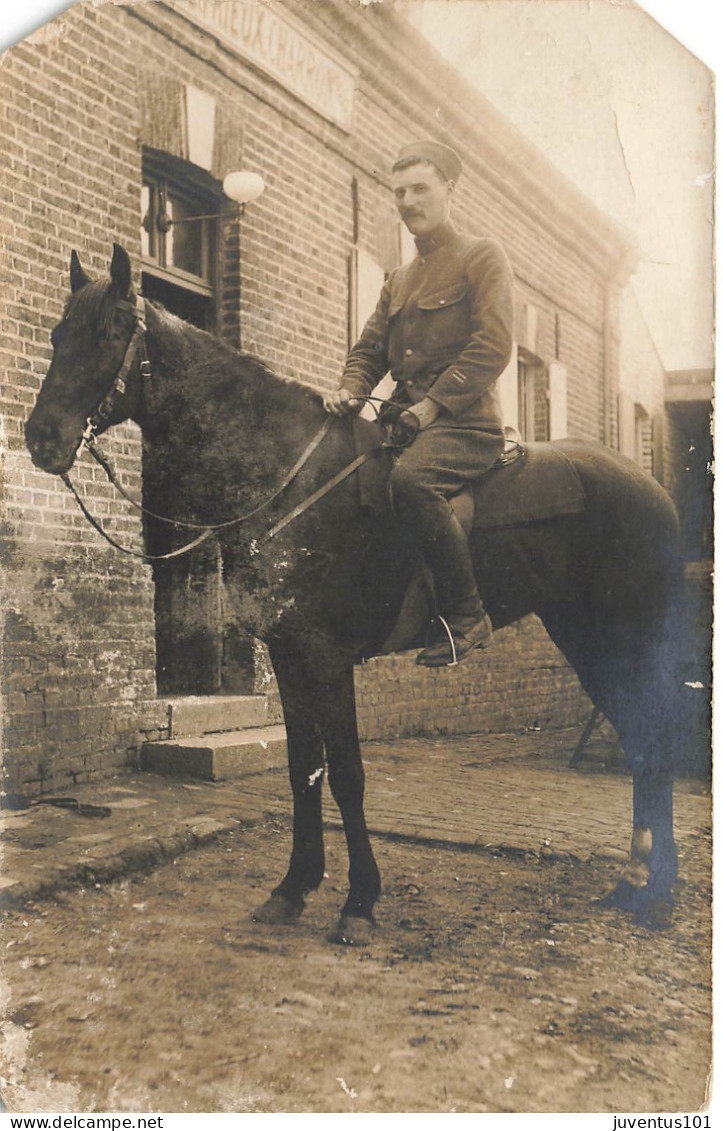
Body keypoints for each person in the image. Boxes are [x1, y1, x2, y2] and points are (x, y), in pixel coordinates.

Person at [324, 140, 514, 666]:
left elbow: (493, 347)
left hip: (464, 425)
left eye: (420, 188)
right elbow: (368, 351)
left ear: (449, 190)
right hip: (404, 425)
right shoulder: (399, 281)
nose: (407, 200)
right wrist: (348, 386)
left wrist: (430, 408)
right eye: (399, 191)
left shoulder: (482, 256)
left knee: (411, 482)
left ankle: (467, 613)